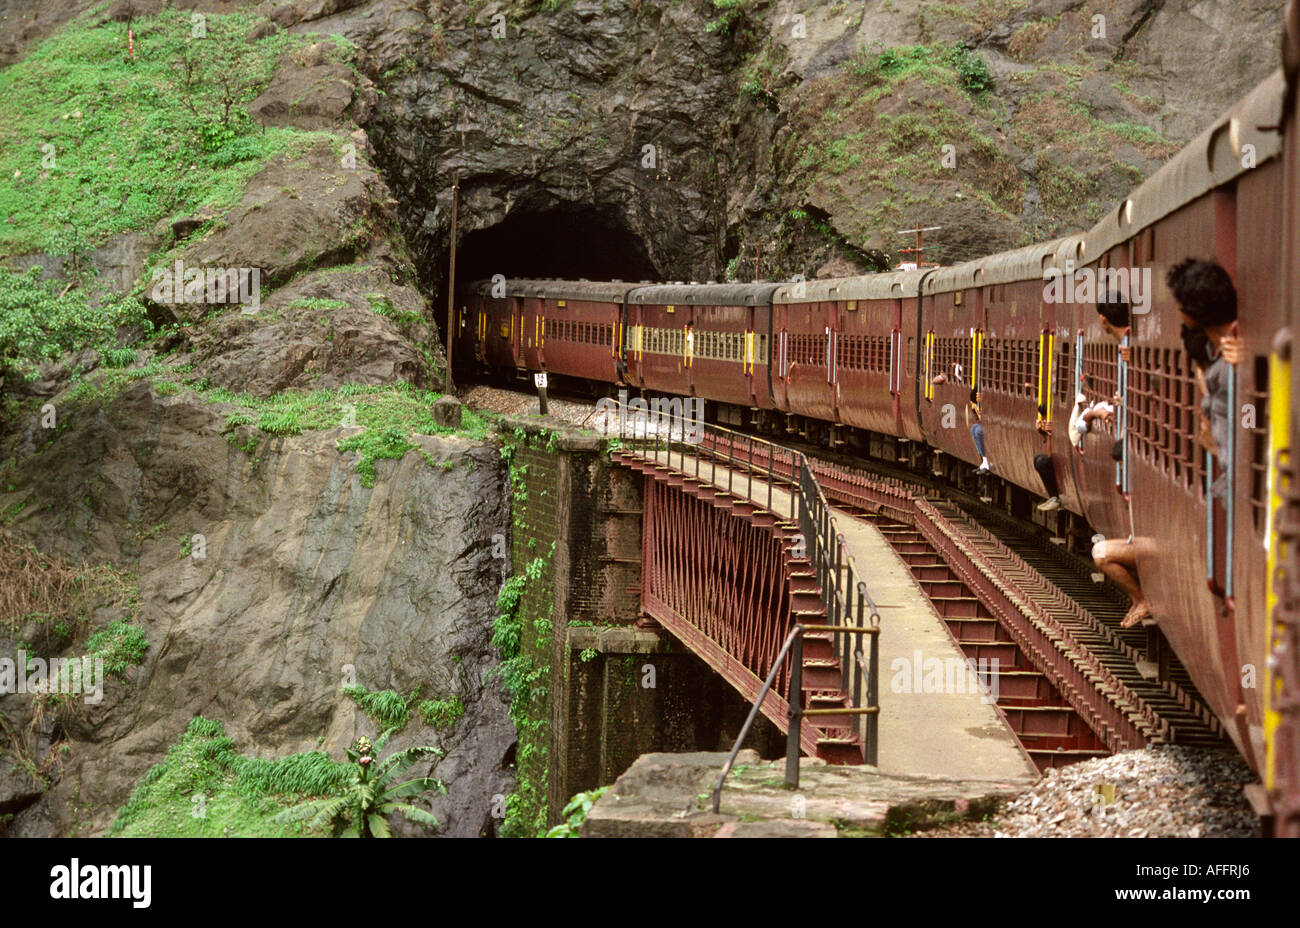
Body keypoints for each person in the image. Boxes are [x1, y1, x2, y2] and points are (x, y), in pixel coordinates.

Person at [1167, 258, 1242, 500]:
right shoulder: (1217, 358)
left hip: (1240, 484)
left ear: (1194, 311)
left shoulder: (1230, 366)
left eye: (1180, 307)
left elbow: (1250, 410)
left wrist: (1244, 433)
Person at [969, 389, 991, 474]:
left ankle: (986, 461)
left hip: (989, 427)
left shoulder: (987, 401)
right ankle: (984, 460)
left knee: (978, 430)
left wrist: (979, 413)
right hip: (984, 426)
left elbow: (983, 419)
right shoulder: (976, 404)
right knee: (974, 428)